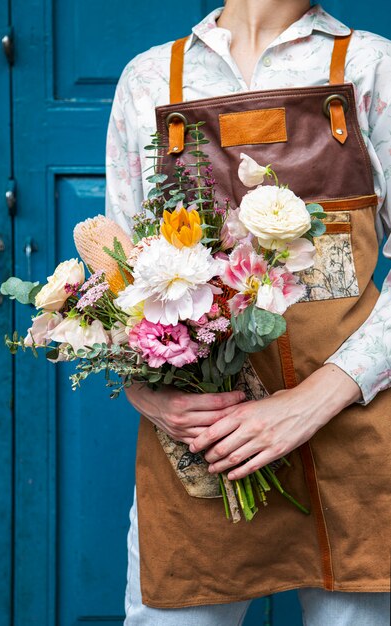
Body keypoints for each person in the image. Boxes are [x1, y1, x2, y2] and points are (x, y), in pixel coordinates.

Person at [105, 2, 391, 624]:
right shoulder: (152, 79)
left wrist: (313, 400)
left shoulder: (372, 67)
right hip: (205, 450)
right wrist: (145, 392)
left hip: (358, 436)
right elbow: (119, 280)